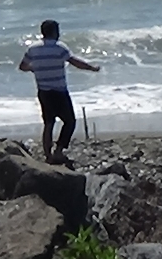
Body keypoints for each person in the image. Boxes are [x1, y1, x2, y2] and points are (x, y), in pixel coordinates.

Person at [18, 19, 100, 164]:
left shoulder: (33, 49)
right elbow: (75, 62)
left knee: (48, 123)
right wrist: (92, 68)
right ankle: (58, 150)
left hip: (43, 91)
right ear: (54, 32)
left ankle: (48, 155)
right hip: (59, 91)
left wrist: (36, 68)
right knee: (70, 122)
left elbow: (23, 66)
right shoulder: (60, 47)